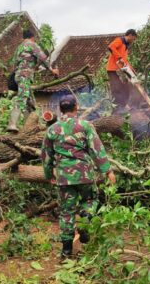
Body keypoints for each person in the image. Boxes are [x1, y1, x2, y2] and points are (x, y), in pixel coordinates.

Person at [41, 95, 116, 258]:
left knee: (66, 212)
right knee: (90, 200)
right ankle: (85, 220)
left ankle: (66, 251)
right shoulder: (85, 125)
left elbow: (47, 156)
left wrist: (48, 175)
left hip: (63, 178)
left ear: (60, 110)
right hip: (84, 175)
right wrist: (108, 171)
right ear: (76, 107)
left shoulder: (52, 129)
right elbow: (97, 150)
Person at [7, 30, 60, 132]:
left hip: (18, 75)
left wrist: (33, 68)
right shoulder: (32, 44)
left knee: (30, 102)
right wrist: (52, 70)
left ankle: (30, 127)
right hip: (24, 76)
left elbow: (18, 63)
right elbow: (43, 58)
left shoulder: (19, 47)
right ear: (32, 37)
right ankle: (12, 124)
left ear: (23, 37)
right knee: (22, 98)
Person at [107, 29, 139, 111]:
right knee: (117, 88)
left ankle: (123, 106)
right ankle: (118, 108)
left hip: (120, 69)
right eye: (134, 38)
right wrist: (119, 58)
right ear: (130, 35)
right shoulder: (120, 40)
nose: (133, 41)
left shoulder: (126, 46)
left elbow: (124, 60)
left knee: (126, 88)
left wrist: (132, 70)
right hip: (112, 69)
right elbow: (111, 47)